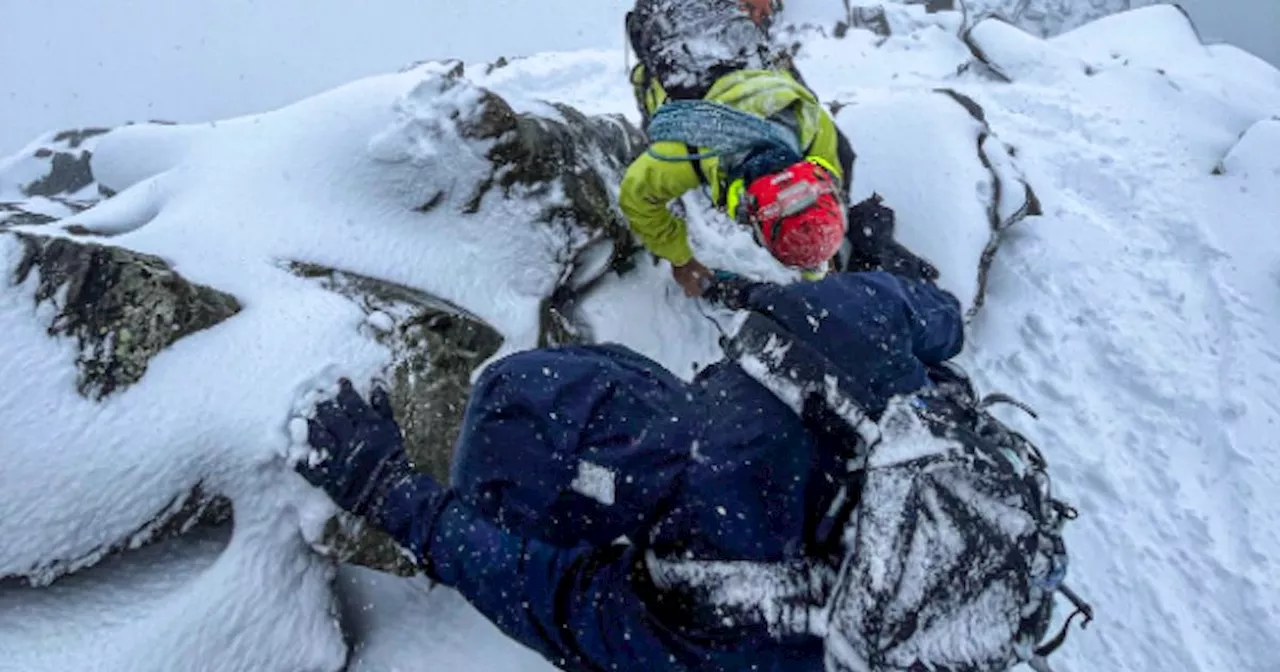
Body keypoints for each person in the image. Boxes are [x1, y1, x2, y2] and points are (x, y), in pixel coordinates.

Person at [294, 268, 1088, 672]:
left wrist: (385, 489)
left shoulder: (714, 588)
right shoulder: (828, 326)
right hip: (975, 527)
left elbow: (548, 600)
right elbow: (939, 318)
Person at [620, 0, 853, 297]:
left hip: (715, 39)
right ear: (748, 210)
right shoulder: (687, 150)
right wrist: (680, 259)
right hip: (662, 24)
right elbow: (636, 196)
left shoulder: (809, 120)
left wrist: (816, 255)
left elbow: (817, 189)